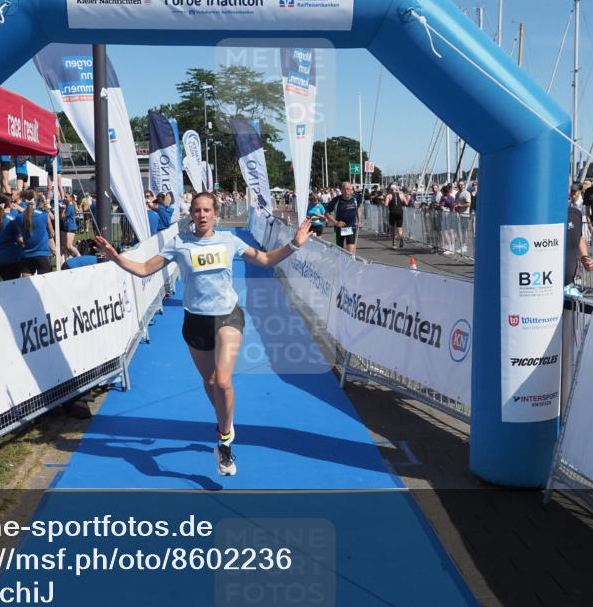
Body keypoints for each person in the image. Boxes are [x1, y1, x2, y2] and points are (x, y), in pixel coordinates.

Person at [95, 193, 313, 476]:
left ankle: (224, 442)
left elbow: (266, 259)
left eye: (207, 210)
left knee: (222, 381)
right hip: (195, 321)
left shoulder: (229, 241)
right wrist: (116, 257)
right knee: (210, 383)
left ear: (215, 214)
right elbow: (145, 269)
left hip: (227, 316)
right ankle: (226, 421)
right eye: (197, 210)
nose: (202, 215)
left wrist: (294, 245)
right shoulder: (180, 244)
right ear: (191, 215)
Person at [0, 191, 25, 281]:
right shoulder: (12, 219)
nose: (14, 203)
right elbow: (20, 240)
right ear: (8, 203)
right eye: (12, 201)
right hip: (12, 258)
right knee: (13, 287)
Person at [19, 188, 54, 275]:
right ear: (36, 199)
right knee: (44, 286)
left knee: (25, 286)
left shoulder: (19, 216)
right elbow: (51, 233)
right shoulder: (44, 215)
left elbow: (18, 236)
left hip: (26, 255)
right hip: (42, 253)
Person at [564, 204, 593, 297]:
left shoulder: (575, 213)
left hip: (568, 287)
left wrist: (585, 257)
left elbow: (579, 237)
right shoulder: (540, 214)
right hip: (542, 289)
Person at [324, 181, 363, 255]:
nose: (346, 191)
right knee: (340, 251)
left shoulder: (355, 198)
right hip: (339, 229)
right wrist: (336, 223)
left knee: (351, 252)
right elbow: (326, 214)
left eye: (348, 189)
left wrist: (359, 221)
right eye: (344, 189)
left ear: (351, 190)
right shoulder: (336, 200)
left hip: (351, 227)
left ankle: (351, 264)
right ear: (341, 190)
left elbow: (358, 209)